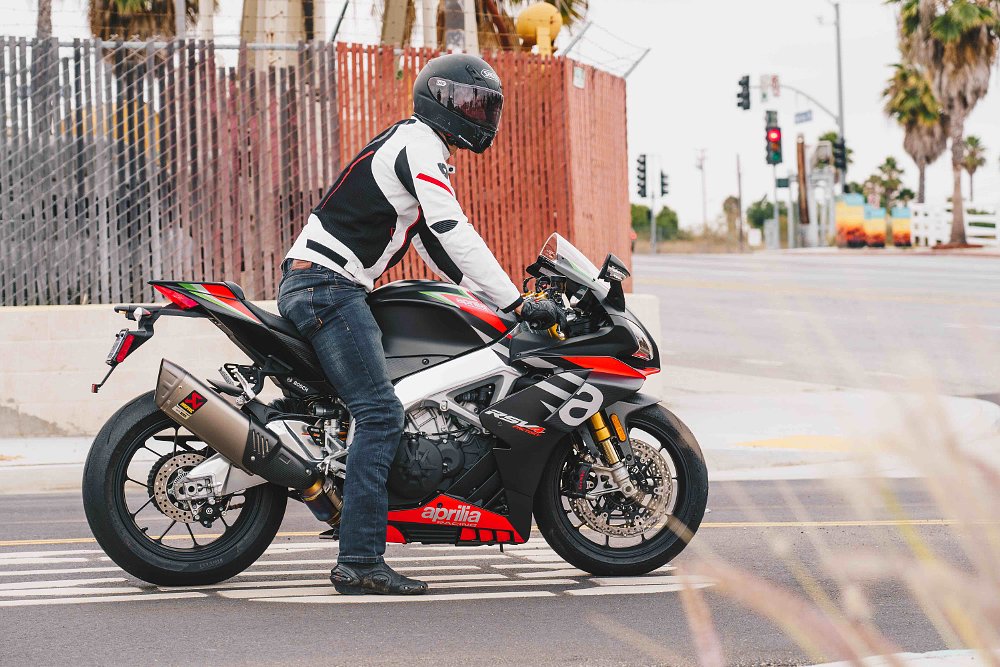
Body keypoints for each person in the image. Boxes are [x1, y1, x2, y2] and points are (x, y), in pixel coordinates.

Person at [276, 53, 564, 596]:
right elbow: (452, 229)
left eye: (485, 105)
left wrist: (496, 303)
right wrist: (517, 302)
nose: (478, 115)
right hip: (327, 289)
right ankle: (359, 560)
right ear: (439, 98)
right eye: (468, 103)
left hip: (324, 284)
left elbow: (435, 245)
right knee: (380, 414)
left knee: (377, 408)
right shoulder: (420, 145)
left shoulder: (413, 144)